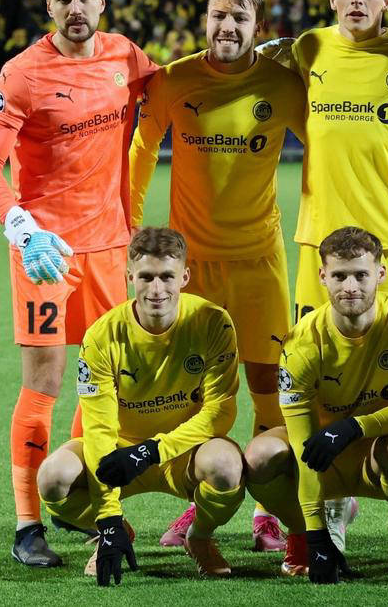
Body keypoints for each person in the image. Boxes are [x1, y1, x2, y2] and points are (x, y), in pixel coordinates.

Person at [258, 0, 388, 546]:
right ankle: (328, 507)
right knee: (314, 377)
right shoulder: (309, 49)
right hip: (319, 242)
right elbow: (260, 68)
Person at [0, 0, 157, 566]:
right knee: (45, 383)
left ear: (102, 0)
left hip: (111, 247)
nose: (75, 9)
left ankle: (77, 500)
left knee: (104, 381)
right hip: (46, 254)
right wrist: (21, 229)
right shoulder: (23, 73)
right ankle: (27, 525)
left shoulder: (126, 57)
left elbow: (184, 87)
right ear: (48, 7)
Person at [127, 0, 306, 551]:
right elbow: (142, 147)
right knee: (195, 390)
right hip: (194, 266)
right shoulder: (175, 80)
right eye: (219, 16)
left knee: (267, 387)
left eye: (239, 18)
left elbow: (329, 146)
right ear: (206, 20)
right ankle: (199, 502)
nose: (227, 27)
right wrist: (130, 223)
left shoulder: (282, 84)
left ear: (259, 26)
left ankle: (268, 512)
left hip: (259, 262)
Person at [35, 227, 245, 585]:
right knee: (53, 478)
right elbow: (98, 428)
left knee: (226, 465)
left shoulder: (212, 322)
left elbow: (219, 413)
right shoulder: (101, 336)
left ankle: (198, 536)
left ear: (185, 277)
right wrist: (108, 519)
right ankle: (116, 532)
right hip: (119, 452)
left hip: (182, 452)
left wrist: (152, 451)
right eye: (146, 277)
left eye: (167, 277)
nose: (157, 289)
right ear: (130, 276)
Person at [243, 227, 388, 582]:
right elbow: (302, 443)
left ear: (380, 273)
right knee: (259, 456)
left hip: (379, 446)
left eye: (361, 275)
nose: (350, 287)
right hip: (320, 450)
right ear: (322, 276)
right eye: (339, 276)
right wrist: (314, 534)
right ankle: (300, 533)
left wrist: (354, 427)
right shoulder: (300, 342)